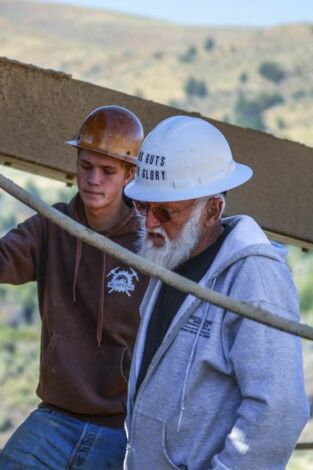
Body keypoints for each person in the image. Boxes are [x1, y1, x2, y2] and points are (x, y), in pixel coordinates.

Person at [123, 115, 309, 470]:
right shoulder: (172, 255)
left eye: (164, 211)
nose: (149, 223)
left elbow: (279, 410)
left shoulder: (253, 276)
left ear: (212, 210)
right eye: (142, 206)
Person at [0, 105, 149, 469]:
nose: (93, 179)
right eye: (86, 166)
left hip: (123, 429)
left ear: (130, 174)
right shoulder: (52, 224)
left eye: (107, 171)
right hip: (55, 416)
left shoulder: (150, 242)